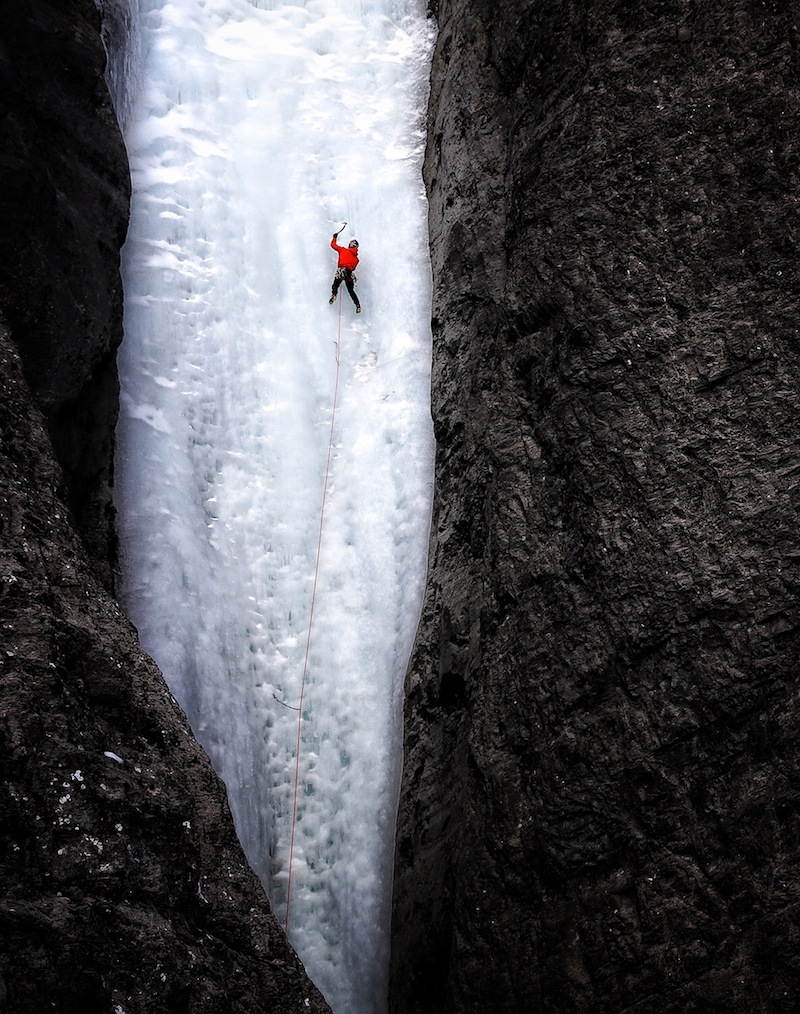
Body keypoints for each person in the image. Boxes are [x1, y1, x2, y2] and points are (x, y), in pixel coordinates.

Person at [329, 232, 362, 313]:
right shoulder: (356, 259)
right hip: (349, 273)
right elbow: (353, 268)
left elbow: (333, 245)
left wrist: (334, 237)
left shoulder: (343, 250)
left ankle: (334, 295)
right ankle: (358, 305)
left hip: (342, 270)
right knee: (351, 291)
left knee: (335, 285)